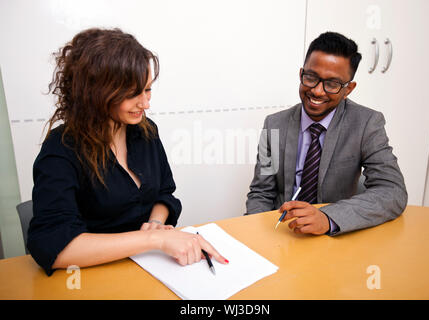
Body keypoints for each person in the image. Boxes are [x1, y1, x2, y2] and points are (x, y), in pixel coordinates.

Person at [28, 28, 228, 276]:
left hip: (149, 266)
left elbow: (164, 193)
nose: (145, 103)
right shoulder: (62, 149)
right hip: (91, 276)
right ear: (97, 93)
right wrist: (156, 241)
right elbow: (53, 248)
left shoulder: (145, 131)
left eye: (148, 89)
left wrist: (155, 224)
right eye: (133, 93)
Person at [246, 31, 407, 236]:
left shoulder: (367, 123)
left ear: (348, 89)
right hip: (283, 231)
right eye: (311, 77)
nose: (317, 91)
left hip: (335, 234)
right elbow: (261, 193)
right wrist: (257, 236)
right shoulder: (274, 125)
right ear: (301, 74)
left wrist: (328, 218)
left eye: (332, 84)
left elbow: (392, 191)